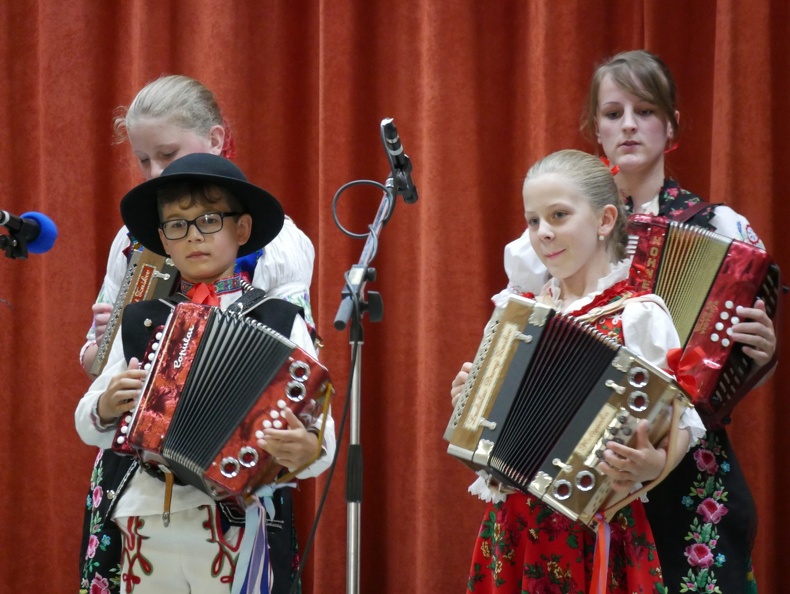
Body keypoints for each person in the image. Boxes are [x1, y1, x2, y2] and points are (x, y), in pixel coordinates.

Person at [498, 50, 776, 593]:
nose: (628, 125)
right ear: (595, 130)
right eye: (612, 113)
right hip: (582, 470)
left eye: (645, 111)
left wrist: (762, 357)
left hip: (688, 467)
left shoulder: (720, 228)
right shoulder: (549, 239)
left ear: (671, 126)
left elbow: (732, 378)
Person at [78, 75, 316, 594]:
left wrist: (303, 444)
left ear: (215, 138)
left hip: (237, 485)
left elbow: (296, 367)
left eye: (167, 154)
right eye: (144, 160)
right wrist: (105, 345)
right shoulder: (133, 240)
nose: (156, 172)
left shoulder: (280, 244)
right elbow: (99, 371)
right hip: (138, 481)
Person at [450, 149, 706, 593]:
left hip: (597, 530)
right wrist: (470, 401)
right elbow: (489, 431)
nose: (543, 232)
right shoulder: (517, 314)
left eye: (559, 215)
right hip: (514, 527)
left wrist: (653, 462)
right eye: (533, 221)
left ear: (605, 220)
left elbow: (679, 420)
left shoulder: (638, 314)